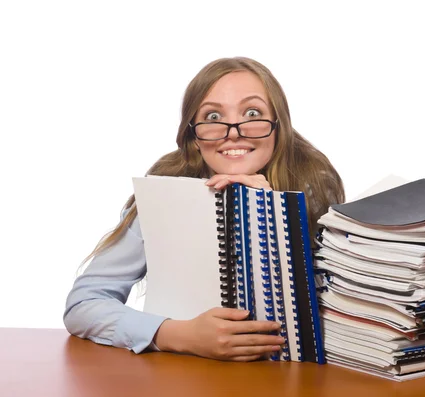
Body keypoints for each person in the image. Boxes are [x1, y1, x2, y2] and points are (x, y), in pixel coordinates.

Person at [63, 57, 345, 362]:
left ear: (278, 127)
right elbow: (84, 304)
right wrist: (177, 335)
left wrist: (271, 213)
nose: (233, 131)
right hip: (186, 376)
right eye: (213, 116)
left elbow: (344, 302)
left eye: (252, 113)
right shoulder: (163, 197)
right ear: (194, 137)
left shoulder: (315, 188)